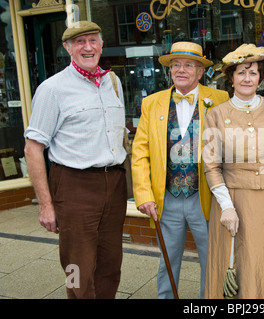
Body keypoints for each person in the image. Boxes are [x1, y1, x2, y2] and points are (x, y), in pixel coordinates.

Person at [24, 21, 128, 299]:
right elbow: (32, 148)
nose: (88, 47)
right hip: (74, 185)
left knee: (110, 264)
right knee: (77, 267)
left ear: (101, 45)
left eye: (93, 40)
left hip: (114, 183)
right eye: (80, 42)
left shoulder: (113, 83)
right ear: (67, 48)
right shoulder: (52, 89)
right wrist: (46, 205)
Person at [202, 44, 264, 298]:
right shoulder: (215, 115)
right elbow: (211, 165)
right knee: (241, 264)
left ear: (261, 77)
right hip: (235, 202)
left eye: (253, 73)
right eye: (241, 73)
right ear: (231, 77)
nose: (247, 78)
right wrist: (225, 206)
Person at [131, 41, 229, 299]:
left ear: (200, 72)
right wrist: (144, 194)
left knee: (212, 260)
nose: (181, 70)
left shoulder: (220, 99)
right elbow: (140, 153)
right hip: (168, 197)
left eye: (188, 65)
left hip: (205, 197)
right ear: (170, 71)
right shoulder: (151, 104)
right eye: (176, 65)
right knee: (168, 260)